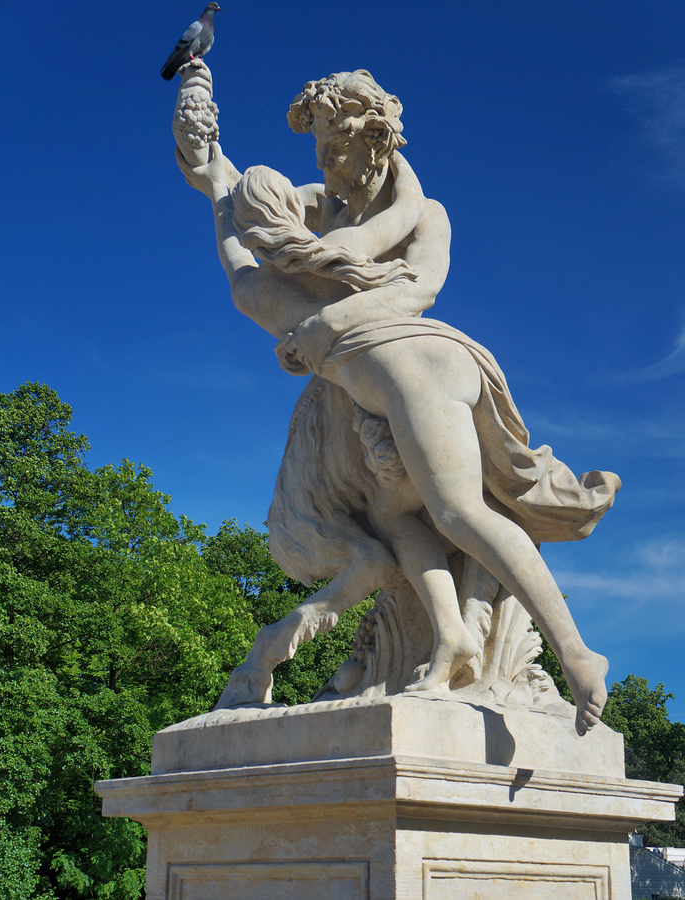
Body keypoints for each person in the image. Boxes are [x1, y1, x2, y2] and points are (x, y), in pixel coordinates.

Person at [176, 69, 619, 735]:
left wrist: (321, 325)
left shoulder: (409, 219)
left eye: (336, 145)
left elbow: (418, 290)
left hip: (407, 363)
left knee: (460, 511)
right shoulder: (318, 216)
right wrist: (211, 164)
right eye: (319, 147)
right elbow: (251, 207)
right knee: (398, 516)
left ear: (377, 140)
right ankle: (453, 636)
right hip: (379, 387)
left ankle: (577, 652)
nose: (324, 162)